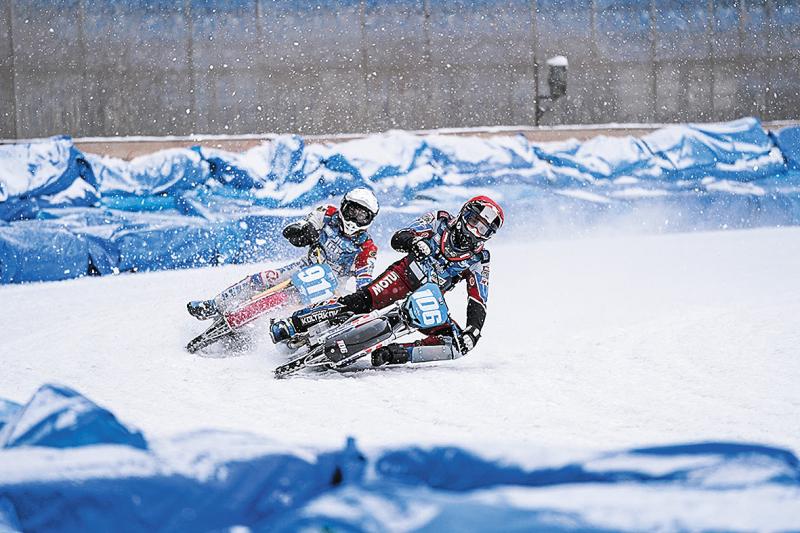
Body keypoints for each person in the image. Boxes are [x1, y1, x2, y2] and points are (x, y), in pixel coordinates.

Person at [270, 195, 504, 366]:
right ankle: (294, 324)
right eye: (473, 222)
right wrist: (414, 243)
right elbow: (398, 238)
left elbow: (478, 299)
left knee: (458, 345)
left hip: (428, 298)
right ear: (464, 214)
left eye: (482, 230)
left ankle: (393, 354)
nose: (474, 232)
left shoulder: (480, 258)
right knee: (361, 301)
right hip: (404, 276)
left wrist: (473, 331)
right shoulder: (439, 220)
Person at [187, 187, 380, 321]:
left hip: (331, 287)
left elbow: (365, 283)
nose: (354, 219)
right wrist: (302, 232)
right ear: (343, 206)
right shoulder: (326, 213)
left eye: (362, 215)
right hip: (304, 267)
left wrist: (360, 301)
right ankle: (215, 304)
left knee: (309, 316)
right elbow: (304, 226)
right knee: (262, 278)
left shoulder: (367, 248)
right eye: (352, 211)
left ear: (369, 220)